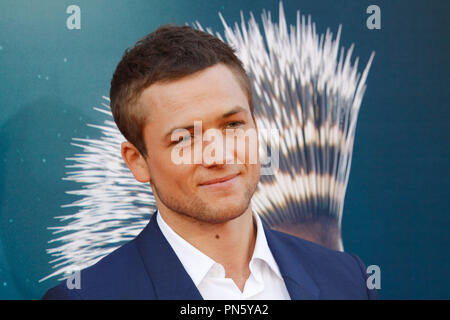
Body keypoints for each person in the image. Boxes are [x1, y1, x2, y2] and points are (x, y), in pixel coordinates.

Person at [42, 24, 378, 300]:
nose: (219, 155)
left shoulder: (348, 279)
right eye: (184, 138)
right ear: (137, 161)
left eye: (233, 125)